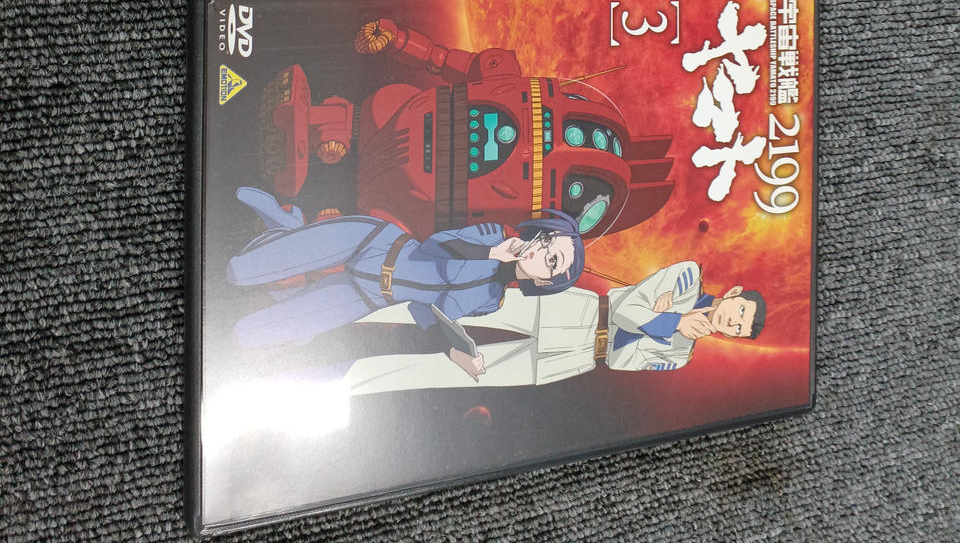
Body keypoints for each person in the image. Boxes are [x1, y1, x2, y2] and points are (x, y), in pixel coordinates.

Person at [226, 187, 584, 370]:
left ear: (545, 282)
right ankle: (287, 227)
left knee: (247, 335)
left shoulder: (492, 300)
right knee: (237, 272)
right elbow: (433, 245)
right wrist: (490, 253)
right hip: (372, 243)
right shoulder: (493, 236)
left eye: (552, 260)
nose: (540, 250)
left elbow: (423, 311)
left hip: (367, 295)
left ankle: (291, 239)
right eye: (546, 240)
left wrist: (454, 352)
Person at [334, 259, 766, 393]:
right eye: (741, 311)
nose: (733, 321)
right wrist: (670, 319)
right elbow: (625, 313)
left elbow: (621, 361)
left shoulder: (681, 356)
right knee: (461, 307)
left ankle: (349, 384)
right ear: (733, 293)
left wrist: (662, 323)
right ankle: (351, 308)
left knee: (458, 372)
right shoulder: (688, 277)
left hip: (576, 359)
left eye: (739, 328)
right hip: (575, 311)